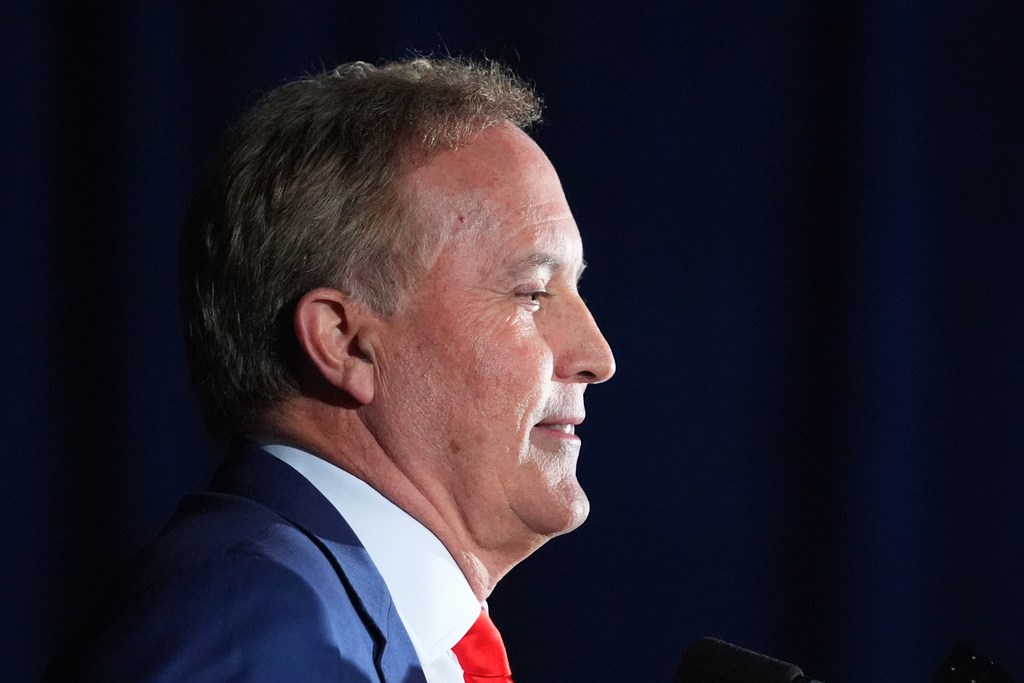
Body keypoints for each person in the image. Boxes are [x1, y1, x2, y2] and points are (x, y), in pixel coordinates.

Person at [46, 56, 615, 682]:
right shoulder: (255, 629)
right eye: (532, 293)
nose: (597, 358)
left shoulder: (335, 621)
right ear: (344, 342)